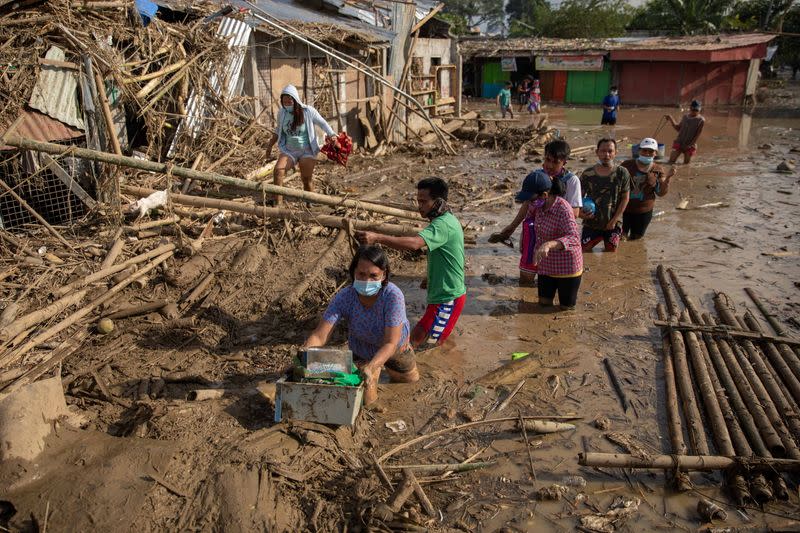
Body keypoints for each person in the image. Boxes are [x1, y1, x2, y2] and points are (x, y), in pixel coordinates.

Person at [356, 177, 466, 348]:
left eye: (423, 201)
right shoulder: (446, 220)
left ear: (438, 202)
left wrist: (377, 237)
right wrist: (430, 277)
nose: (419, 206)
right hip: (443, 293)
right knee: (420, 341)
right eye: (418, 201)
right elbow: (447, 256)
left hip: (447, 298)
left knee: (422, 346)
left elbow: (415, 244)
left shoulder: (442, 225)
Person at [303, 245, 418, 405]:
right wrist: (305, 352)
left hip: (394, 348)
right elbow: (320, 335)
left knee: (409, 382)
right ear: (353, 272)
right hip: (361, 347)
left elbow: (390, 342)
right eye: (361, 274)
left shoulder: (393, 296)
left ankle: (378, 369)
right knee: (367, 398)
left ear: (384, 275)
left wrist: (373, 366)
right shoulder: (345, 297)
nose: (366, 281)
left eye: (373, 275)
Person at [491, 140, 582, 286]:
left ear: (564, 162)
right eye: (547, 160)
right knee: (527, 273)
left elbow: (575, 213)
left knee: (554, 274)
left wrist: (553, 208)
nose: (550, 165)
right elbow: (527, 204)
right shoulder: (538, 176)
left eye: (555, 162)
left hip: (557, 232)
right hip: (534, 230)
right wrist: (512, 226)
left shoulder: (571, 181)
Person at [265, 84, 338, 204]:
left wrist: (333, 135)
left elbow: (323, 123)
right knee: (278, 171)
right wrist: (269, 146)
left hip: (306, 150)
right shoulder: (282, 113)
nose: (287, 101)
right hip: (289, 150)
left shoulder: (308, 111)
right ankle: (278, 204)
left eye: (290, 98)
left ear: (295, 98)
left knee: (306, 180)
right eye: (284, 98)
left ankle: (310, 203)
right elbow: (278, 130)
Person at [525, 173, 584, 310]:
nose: (530, 202)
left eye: (531, 199)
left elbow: (574, 238)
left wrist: (549, 244)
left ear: (544, 195)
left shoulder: (563, 208)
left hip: (567, 266)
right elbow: (528, 221)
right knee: (543, 305)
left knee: (566, 310)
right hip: (546, 264)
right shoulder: (536, 206)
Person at [580, 138, 631, 252]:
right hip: (591, 223)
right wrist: (580, 214)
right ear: (597, 152)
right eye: (603, 151)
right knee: (584, 250)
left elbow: (625, 198)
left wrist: (614, 220)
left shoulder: (622, 173)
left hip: (613, 224)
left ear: (615, 153)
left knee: (611, 253)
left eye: (610, 151)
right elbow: (578, 198)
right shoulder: (588, 173)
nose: (606, 154)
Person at [621, 137, 676, 240]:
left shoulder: (658, 170)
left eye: (651, 151)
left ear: (655, 153)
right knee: (621, 237)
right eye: (644, 150)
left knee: (636, 238)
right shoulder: (626, 165)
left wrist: (668, 178)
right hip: (625, 209)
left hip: (644, 211)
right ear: (639, 151)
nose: (647, 153)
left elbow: (660, 193)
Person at [665, 100, 705, 164]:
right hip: (679, 142)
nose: (694, 112)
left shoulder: (701, 120)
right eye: (693, 109)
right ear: (690, 108)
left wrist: (689, 145)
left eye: (696, 110)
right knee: (671, 162)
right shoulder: (685, 117)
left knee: (686, 164)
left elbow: (697, 135)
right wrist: (671, 119)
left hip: (690, 145)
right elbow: (678, 128)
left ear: (699, 110)